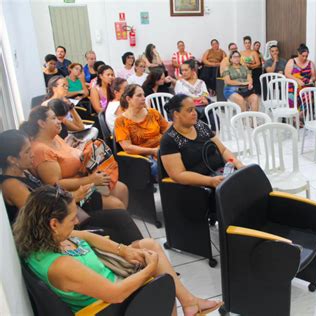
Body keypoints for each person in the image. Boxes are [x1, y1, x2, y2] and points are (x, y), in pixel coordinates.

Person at [13, 186, 223, 315]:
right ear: (53, 223)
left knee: (149, 245)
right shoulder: (60, 265)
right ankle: (184, 304)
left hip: (109, 276)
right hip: (110, 306)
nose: (77, 222)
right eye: (71, 218)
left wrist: (122, 251)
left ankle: (188, 302)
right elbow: (116, 295)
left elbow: (86, 236)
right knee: (162, 282)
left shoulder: (45, 238)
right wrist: (149, 270)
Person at [0, 130, 142, 245]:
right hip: (54, 234)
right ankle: (138, 254)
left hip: (65, 217)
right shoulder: (11, 185)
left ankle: (140, 252)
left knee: (120, 215)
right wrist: (74, 197)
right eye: (26, 152)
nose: (32, 154)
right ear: (12, 160)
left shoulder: (24, 172)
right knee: (118, 226)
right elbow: (40, 215)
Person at [19, 106, 129, 210]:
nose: (59, 121)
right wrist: (91, 180)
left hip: (84, 180)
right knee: (117, 205)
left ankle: (121, 224)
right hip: (72, 195)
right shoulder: (41, 151)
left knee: (122, 189)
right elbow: (56, 185)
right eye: (53, 118)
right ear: (42, 123)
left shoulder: (54, 137)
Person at [160, 94, 243, 188]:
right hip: (199, 187)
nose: (195, 113)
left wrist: (237, 163)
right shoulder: (169, 139)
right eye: (189, 110)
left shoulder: (200, 126)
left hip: (220, 174)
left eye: (194, 109)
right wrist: (210, 181)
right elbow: (178, 175)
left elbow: (223, 150)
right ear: (176, 114)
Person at [114, 84, 169, 178]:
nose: (143, 98)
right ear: (128, 99)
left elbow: (167, 131)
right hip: (144, 157)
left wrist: (164, 146)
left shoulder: (153, 113)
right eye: (139, 95)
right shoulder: (121, 121)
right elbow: (127, 147)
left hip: (162, 149)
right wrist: (153, 151)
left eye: (143, 95)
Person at [284, 44, 316, 109]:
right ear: (298, 54)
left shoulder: (310, 63)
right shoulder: (292, 61)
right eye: (303, 56)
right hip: (293, 85)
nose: (305, 58)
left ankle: (303, 114)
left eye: (306, 56)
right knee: (292, 94)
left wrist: (311, 80)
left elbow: (314, 76)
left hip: (306, 85)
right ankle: (294, 114)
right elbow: (287, 74)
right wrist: (297, 80)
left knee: (309, 94)